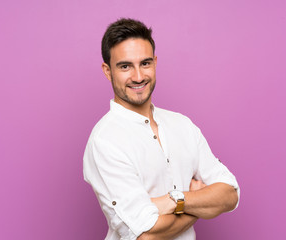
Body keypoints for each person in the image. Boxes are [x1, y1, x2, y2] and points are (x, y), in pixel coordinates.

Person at [83, 18, 240, 240]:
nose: (138, 77)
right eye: (125, 66)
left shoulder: (182, 125)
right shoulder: (105, 141)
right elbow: (146, 235)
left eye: (145, 63)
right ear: (107, 71)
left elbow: (230, 193)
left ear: (155, 62)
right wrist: (198, 204)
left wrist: (175, 200)